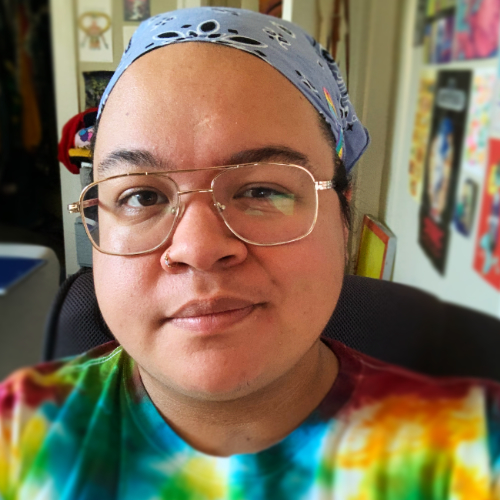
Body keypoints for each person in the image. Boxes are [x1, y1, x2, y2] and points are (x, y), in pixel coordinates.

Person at [1, 7, 500, 500]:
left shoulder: (471, 451)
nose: (197, 249)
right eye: (142, 197)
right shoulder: (18, 434)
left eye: (261, 190)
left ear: (341, 213)